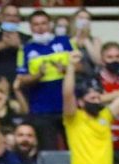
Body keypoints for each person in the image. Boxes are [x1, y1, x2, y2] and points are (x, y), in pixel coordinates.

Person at [15, 10, 75, 151]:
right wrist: (38, 75)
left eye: (43, 23)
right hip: (41, 110)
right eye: (36, 24)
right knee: (48, 151)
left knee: (73, 149)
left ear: (50, 25)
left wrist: (67, 68)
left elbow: (81, 65)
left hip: (67, 107)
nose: (40, 27)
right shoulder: (25, 49)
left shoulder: (65, 41)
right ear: (30, 27)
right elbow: (21, 79)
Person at [70, 8, 102, 77]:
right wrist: (77, 36)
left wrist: (86, 41)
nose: (84, 21)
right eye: (81, 18)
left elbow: (98, 61)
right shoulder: (67, 39)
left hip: (90, 78)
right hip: (72, 78)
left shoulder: (95, 40)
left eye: (87, 18)